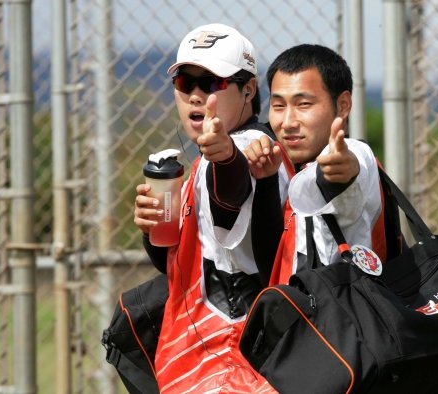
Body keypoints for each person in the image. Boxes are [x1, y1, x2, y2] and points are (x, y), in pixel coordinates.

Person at [133, 23, 285, 393]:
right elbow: (188, 264)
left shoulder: (255, 146)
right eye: (186, 83)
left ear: (248, 89)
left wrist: (224, 156)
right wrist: (151, 230)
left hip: (239, 364)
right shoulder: (196, 164)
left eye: (211, 83)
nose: (196, 95)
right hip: (202, 359)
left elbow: (231, 194)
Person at [243, 44, 383, 285]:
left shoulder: (356, 154)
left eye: (303, 104)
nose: (287, 122)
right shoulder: (286, 166)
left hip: (349, 318)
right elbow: (274, 271)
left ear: (343, 105)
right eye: (278, 106)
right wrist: (266, 181)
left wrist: (342, 172)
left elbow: (348, 167)